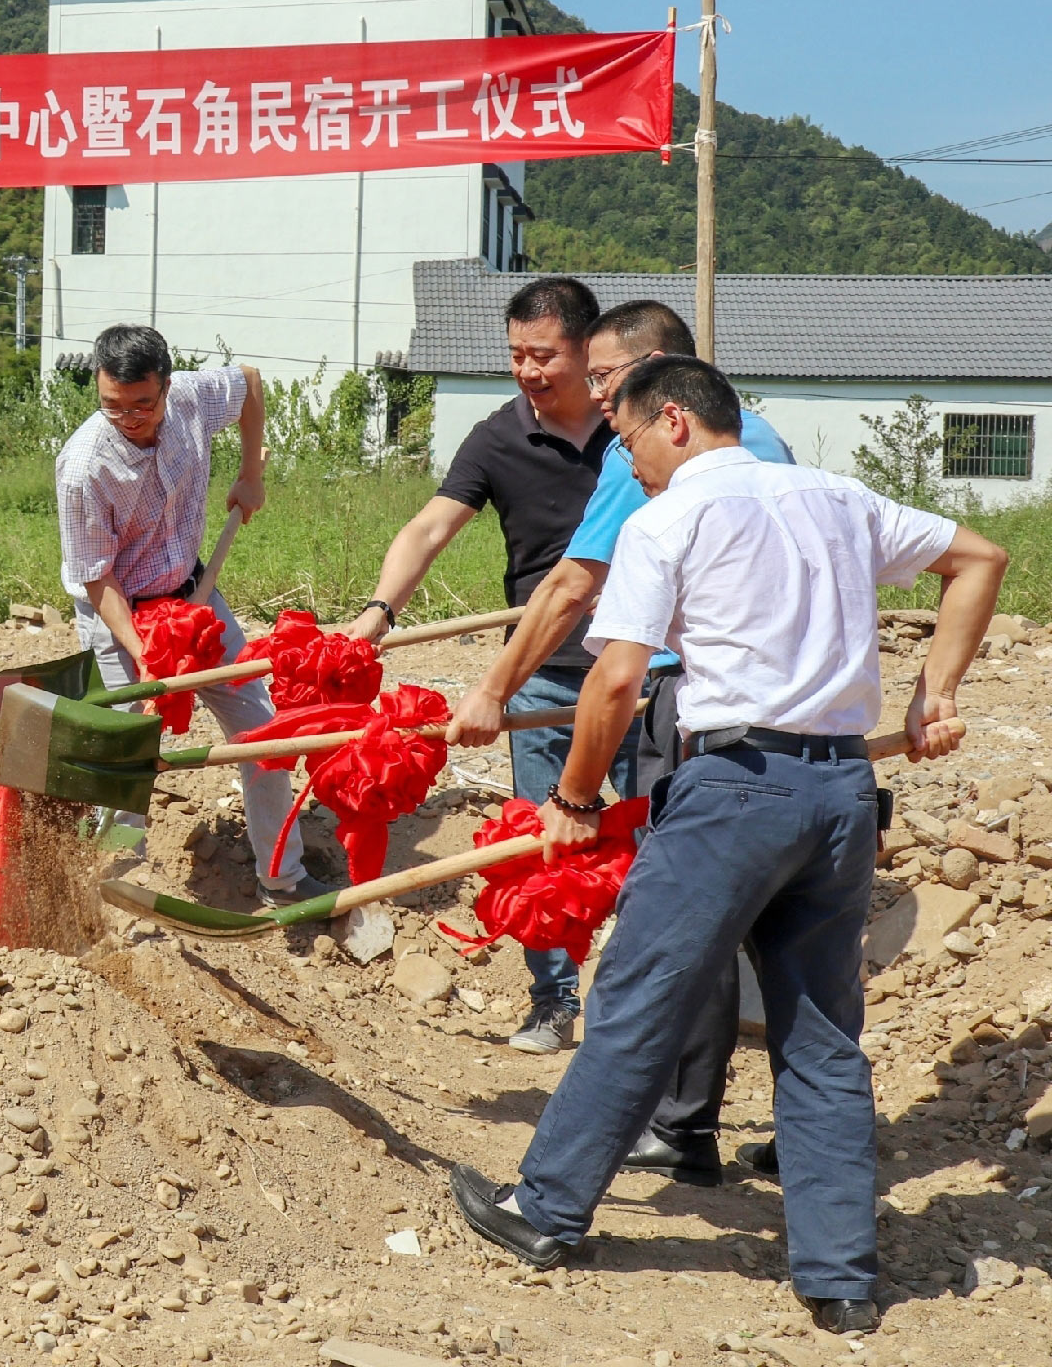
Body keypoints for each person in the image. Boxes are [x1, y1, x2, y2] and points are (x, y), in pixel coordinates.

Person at [451, 355, 1003, 1338]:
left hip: (736, 789)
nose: (630, 465)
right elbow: (980, 557)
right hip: (840, 792)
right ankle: (839, 1280)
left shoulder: (669, 521)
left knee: (638, 994)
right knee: (821, 1032)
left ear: (673, 422)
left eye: (626, 443)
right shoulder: (836, 496)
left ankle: (545, 1211)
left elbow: (615, 681)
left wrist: (575, 795)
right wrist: (936, 693)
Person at [450, 299, 794, 1181]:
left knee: (684, 916)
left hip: (694, 708)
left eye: (606, 378)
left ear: (658, 384)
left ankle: (677, 1125)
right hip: (794, 721)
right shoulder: (774, 446)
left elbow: (574, 586)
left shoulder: (647, 454)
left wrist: (495, 692)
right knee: (782, 933)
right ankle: (804, 1138)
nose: (599, 401)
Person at [349, 277, 639, 1051]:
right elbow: (429, 529)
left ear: (590, 351)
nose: (528, 371)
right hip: (541, 670)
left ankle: (650, 1002)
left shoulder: (641, 431)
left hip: (645, 671)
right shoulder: (498, 436)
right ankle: (552, 1000)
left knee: (662, 830)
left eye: (543, 355)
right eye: (516, 356)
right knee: (536, 839)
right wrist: (380, 611)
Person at [53, 325, 304, 898]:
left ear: (166, 386)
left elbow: (248, 382)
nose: (129, 417)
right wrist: (146, 656)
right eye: (112, 406)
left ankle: (283, 877)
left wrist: (251, 474)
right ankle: (121, 879)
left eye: (142, 403)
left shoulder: (192, 397)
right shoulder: (85, 466)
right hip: (119, 611)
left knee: (260, 729)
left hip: (193, 597)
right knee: (128, 747)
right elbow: (97, 577)